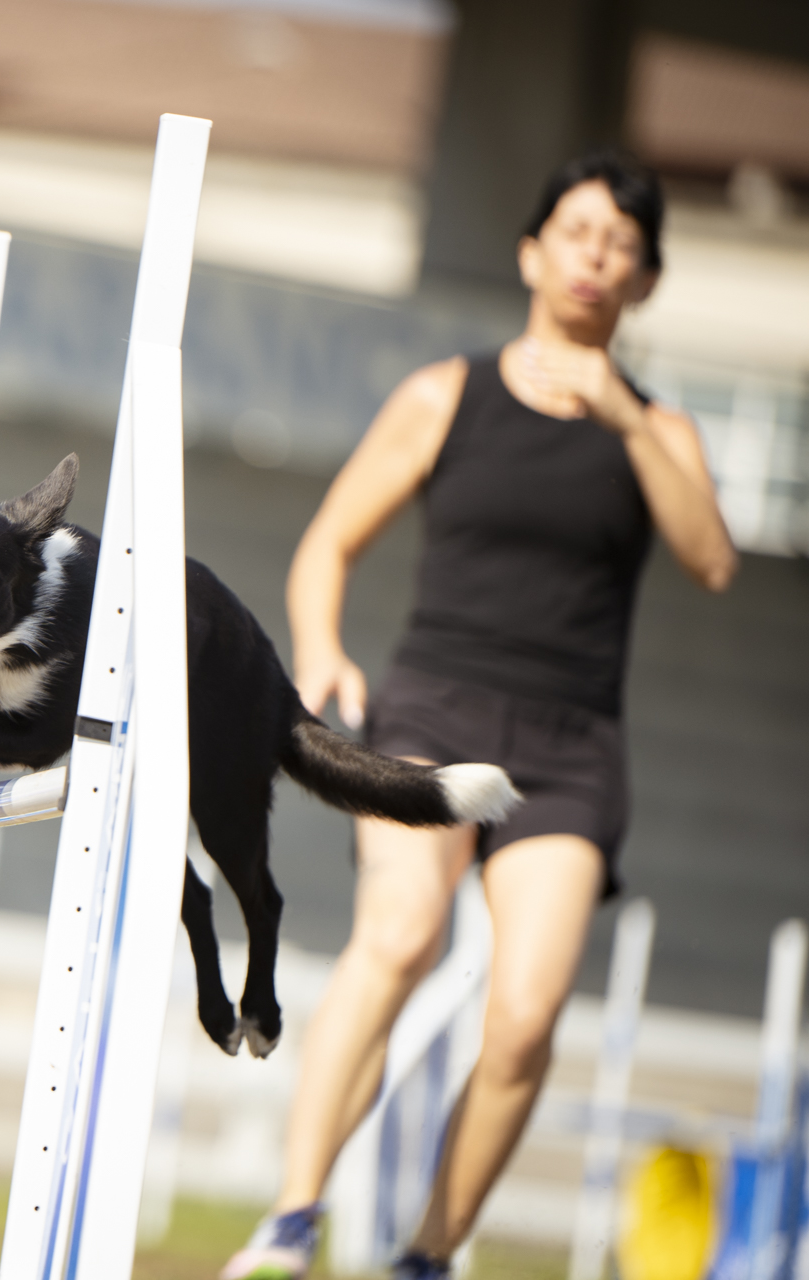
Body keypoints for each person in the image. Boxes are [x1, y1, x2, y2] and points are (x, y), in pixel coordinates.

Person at [220, 149, 738, 1279]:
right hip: (434, 707)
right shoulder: (445, 394)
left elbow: (712, 560)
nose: (598, 256)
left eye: (624, 245)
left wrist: (627, 418)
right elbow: (329, 541)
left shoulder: (666, 432)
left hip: (570, 751)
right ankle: (294, 1218)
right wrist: (320, 647)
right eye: (580, 231)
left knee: (526, 1017)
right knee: (399, 935)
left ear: (645, 281)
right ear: (533, 251)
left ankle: (429, 1253)